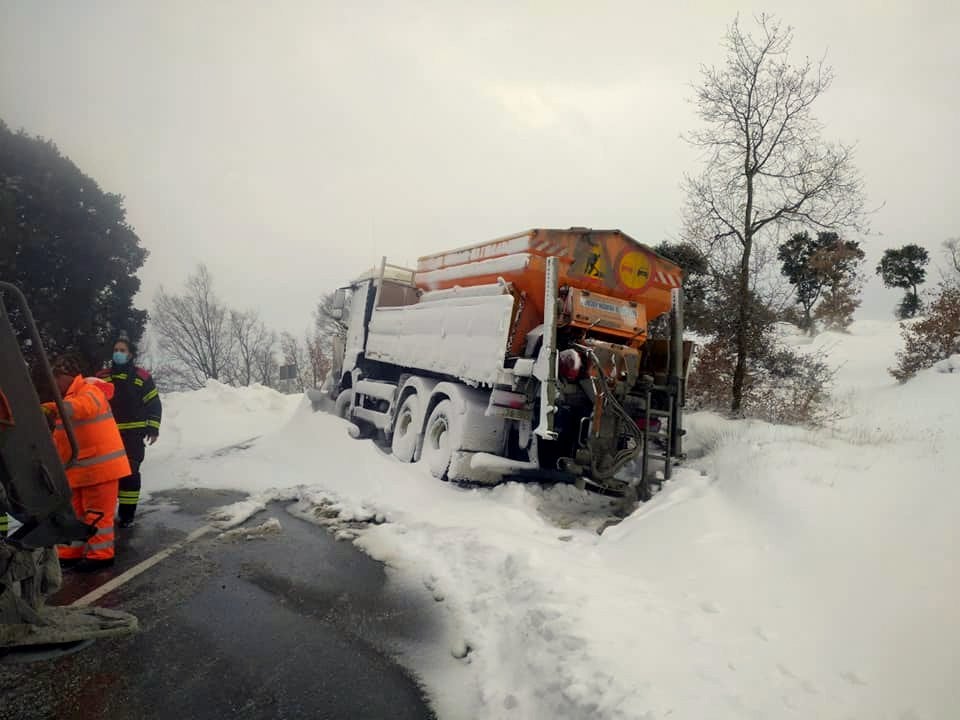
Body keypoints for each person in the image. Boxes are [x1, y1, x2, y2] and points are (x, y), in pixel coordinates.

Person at [44, 354, 130, 571]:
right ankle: (71, 552)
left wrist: (55, 407)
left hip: (100, 470)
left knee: (98, 515)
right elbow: (62, 440)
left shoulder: (89, 390)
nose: (53, 383)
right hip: (80, 471)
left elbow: (82, 407)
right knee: (78, 515)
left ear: (66, 375)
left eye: (55, 378)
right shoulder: (69, 397)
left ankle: (101, 556)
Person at [97, 334, 161, 528]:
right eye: (116, 350)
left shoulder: (141, 377)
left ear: (131, 354)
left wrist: (153, 428)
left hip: (133, 437)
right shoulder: (101, 377)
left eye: (122, 350)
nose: (118, 353)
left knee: (130, 475)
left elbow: (154, 403)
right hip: (106, 437)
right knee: (107, 477)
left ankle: (126, 516)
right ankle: (103, 515)